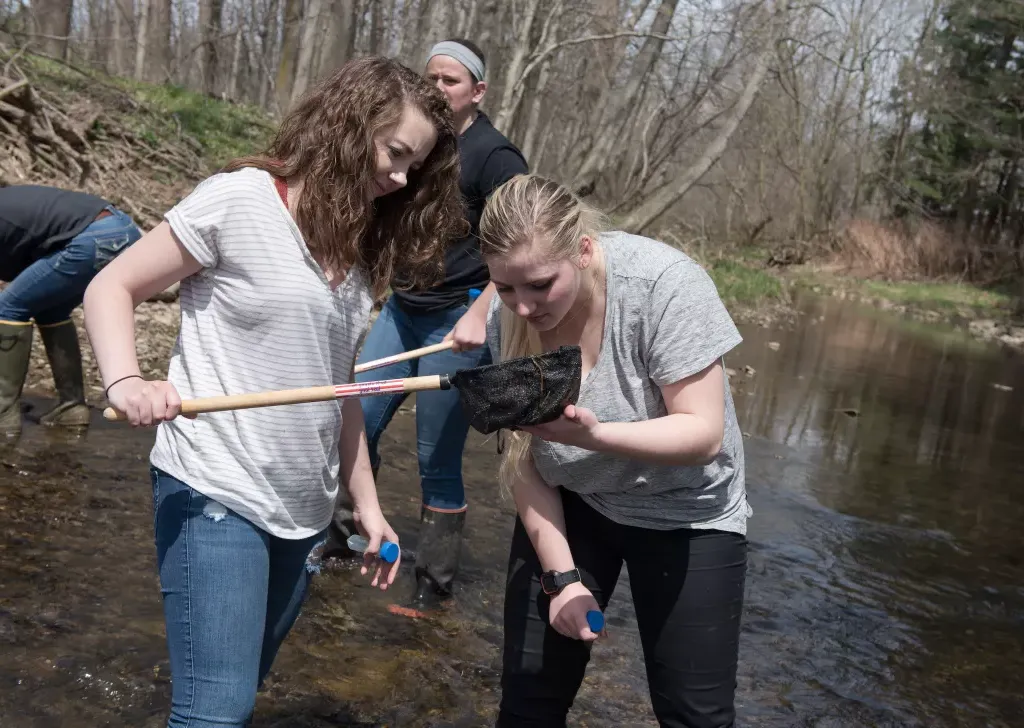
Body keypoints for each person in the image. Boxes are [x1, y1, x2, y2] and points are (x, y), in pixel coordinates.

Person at [81, 56, 465, 728]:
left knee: (236, 695)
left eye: (415, 168)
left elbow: (339, 391)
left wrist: (368, 507)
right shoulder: (241, 199)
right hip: (214, 487)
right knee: (215, 713)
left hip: (304, 512)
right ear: (349, 125)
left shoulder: (357, 247)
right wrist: (127, 381)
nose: (401, 178)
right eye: (395, 154)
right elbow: (112, 287)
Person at [478, 174, 751, 728]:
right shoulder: (503, 319)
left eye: (539, 285)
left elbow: (703, 434)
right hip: (575, 503)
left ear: (582, 250)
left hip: (688, 512)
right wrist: (561, 579)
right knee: (528, 705)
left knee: (694, 716)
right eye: (505, 289)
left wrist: (593, 435)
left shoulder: (663, 286)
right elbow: (521, 464)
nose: (523, 308)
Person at [327, 38, 528, 611]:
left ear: (477, 92)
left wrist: (483, 310)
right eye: (431, 78)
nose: (438, 88)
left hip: (458, 318)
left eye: (451, 81)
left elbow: (518, 246)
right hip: (402, 308)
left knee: (436, 457)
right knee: (355, 420)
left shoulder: (495, 156)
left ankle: (431, 589)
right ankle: (341, 544)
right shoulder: (417, 142)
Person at [0, 186, 142, 436]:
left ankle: (4, 414)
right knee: (51, 311)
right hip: (125, 232)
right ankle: (71, 407)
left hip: (91, 237)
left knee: (8, 308)